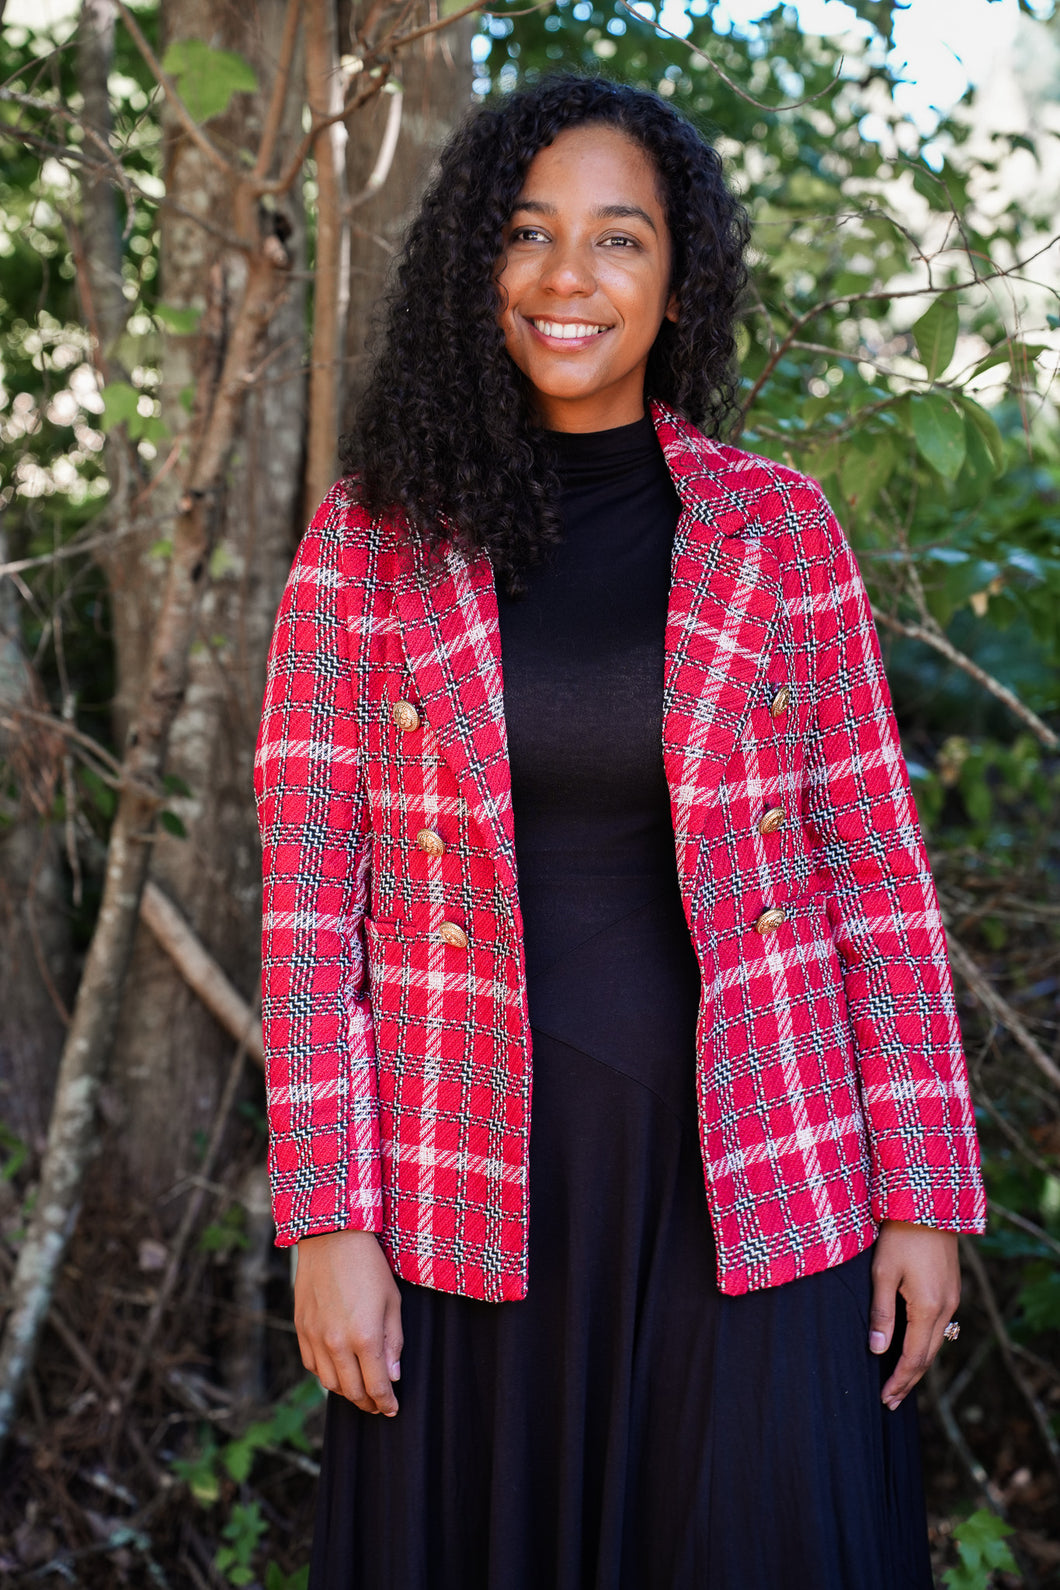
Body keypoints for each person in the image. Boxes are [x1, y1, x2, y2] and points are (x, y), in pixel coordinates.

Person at [255, 74, 986, 1590]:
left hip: (759, 1171)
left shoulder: (777, 531)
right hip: (469, 1182)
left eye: (619, 239)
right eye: (530, 235)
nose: (569, 277)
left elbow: (876, 875)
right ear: (479, 265)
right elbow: (312, 897)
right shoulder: (371, 541)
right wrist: (329, 1215)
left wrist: (922, 1190)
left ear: (679, 276)